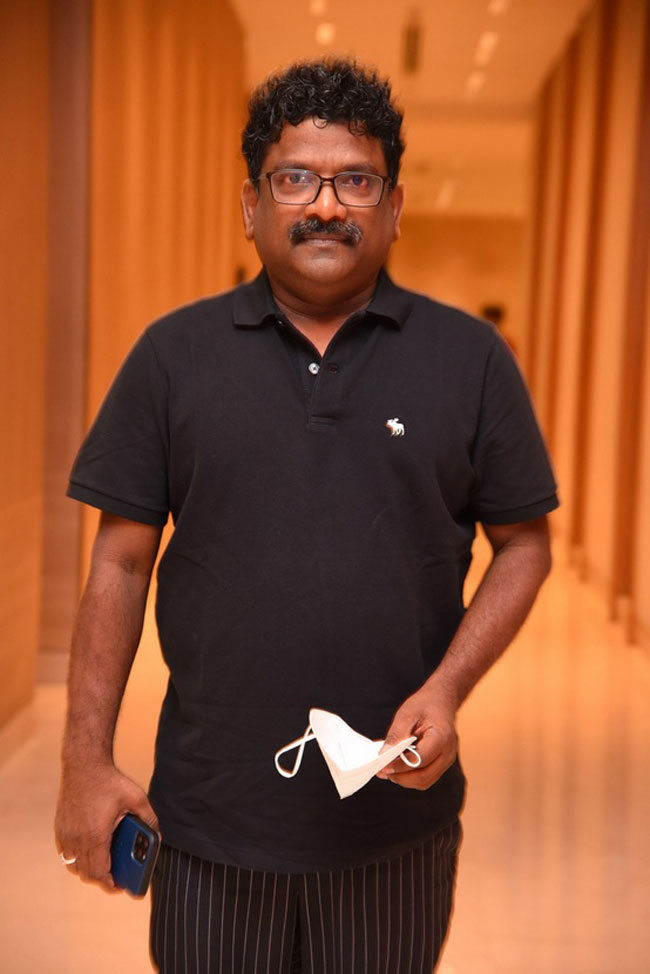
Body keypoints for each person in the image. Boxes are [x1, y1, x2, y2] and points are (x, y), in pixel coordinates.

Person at [55, 59, 558, 973]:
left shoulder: (472, 360)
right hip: (211, 821)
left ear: (395, 207)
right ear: (251, 205)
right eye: (296, 178)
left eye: (356, 181)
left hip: (393, 823)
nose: (326, 205)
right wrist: (84, 763)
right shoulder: (172, 358)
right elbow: (119, 566)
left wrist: (448, 690)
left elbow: (524, 544)